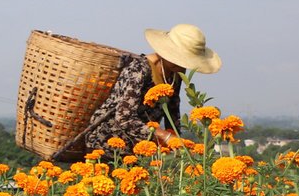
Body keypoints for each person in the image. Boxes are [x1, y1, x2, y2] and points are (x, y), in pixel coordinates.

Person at [75, 23, 220, 153]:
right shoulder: (139, 69)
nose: (182, 65)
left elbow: (173, 110)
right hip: (107, 142)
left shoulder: (176, 73)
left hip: (140, 145)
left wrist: (177, 141)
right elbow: (124, 117)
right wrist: (163, 135)